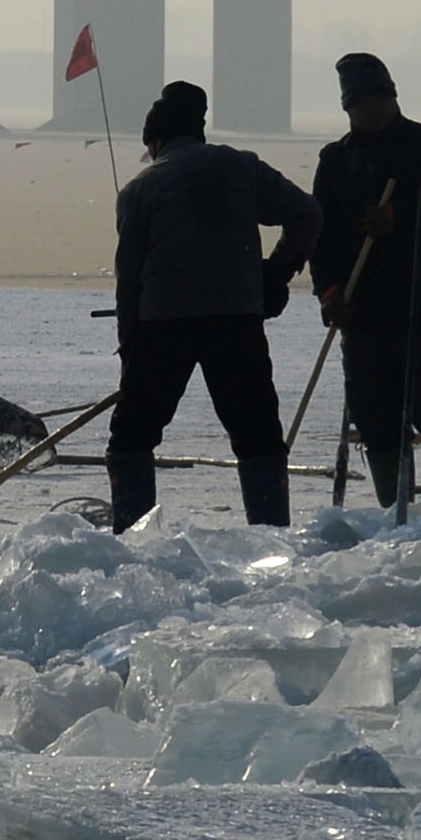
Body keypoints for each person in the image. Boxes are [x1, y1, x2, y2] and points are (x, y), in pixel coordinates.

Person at [106, 77, 315, 531]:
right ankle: (271, 534)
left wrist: (130, 352)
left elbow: (130, 285)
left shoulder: (141, 189)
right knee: (258, 436)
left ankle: (133, 537)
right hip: (237, 321)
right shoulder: (242, 168)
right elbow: (307, 213)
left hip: (164, 326)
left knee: (132, 437)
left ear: (157, 139)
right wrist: (275, 274)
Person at [309, 48, 421, 504]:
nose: (375, 108)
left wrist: (398, 216)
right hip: (362, 312)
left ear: (395, 96)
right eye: (364, 102)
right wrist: (328, 291)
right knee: (378, 421)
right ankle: (393, 512)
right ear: (348, 108)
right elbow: (320, 237)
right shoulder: (336, 161)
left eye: (382, 97)